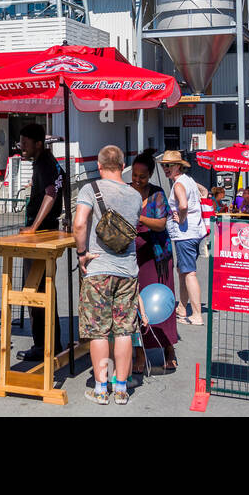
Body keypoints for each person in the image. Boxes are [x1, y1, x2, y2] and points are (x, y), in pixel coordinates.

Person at [74, 145, 145, 406]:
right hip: (127, 270)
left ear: (100, 166)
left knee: (99, 332)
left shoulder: (89, 189)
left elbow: (80, 223)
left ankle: (101, 388)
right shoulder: (135, 195)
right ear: (123, 166)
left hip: (98, 269)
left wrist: (82, 252)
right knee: (125, 330)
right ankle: (122, 389)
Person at [15, 122, 64, 363]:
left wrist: (34, 227)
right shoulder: (48, 161)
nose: (21, 147)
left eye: (25, 143)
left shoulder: (44, 161)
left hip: (41, 235)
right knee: (44, 289)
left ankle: (42, 345)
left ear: (37, 144)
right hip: (48, 231)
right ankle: (51, 343)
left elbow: (51, 192)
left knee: (34, 290)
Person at [130, 153, 179, 372]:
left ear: (150, 175)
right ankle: (140, 353)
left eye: (142, 176)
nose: (137, 180)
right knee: (135, 305)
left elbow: (160, 224)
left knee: (162, 304)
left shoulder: (157, 194)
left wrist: (137, 216)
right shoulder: (127, 191)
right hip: (133, 257)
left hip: (158, 256)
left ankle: (169, 348)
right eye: (134, 175)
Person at [161, 149, 206, 328]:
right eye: (164, 166)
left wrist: (182, 217)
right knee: (183, 271)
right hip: (195, 232)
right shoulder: (188, 181)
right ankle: (182, 307)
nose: (166, 169)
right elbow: (204, 192)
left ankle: (196, 314)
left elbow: (183, 204)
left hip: (185, 233)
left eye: (169, 166)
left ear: (178, 166)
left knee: (189, 272)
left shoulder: (179, 184)